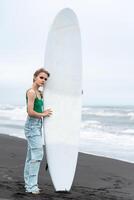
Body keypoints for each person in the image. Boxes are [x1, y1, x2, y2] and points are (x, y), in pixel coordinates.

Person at [24, 68, 52, 194]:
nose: (43, 80)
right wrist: (43, 114)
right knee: (37, 156)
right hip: (31, 126)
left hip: (37, 126)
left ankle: (28, 185)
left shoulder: (40, 93)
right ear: (35, 77)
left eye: (45, 79)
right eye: (41, 77)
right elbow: (29, 112)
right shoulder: (31, 92)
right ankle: (31, 186)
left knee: (31, 157)